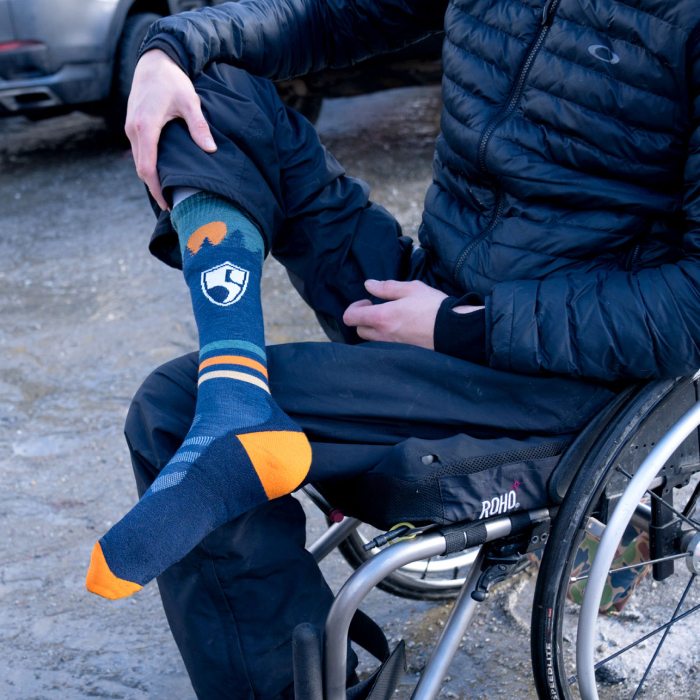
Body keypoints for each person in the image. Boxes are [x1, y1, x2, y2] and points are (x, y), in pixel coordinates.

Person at [85, 0, 700, 697]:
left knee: (172, 410)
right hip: (425, 300)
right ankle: (236, 399)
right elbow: (318, 16)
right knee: (211, 82)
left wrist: (464, 324)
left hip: (554, 380)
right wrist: (166, 49)